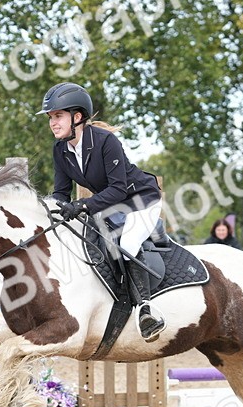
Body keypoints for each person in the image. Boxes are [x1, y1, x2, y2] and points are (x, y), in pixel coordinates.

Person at [40, 82, 166, 341]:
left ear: (77, 117)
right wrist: (50, 212)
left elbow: (119, 189)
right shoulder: (60, 149)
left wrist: (82, 206)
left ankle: (145, 309)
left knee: (128, 243)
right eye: (51, 117)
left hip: (141, 199)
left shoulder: (106, 141)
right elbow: (61, 193)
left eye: (58, 116)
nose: (53, 122)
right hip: (110, 204)